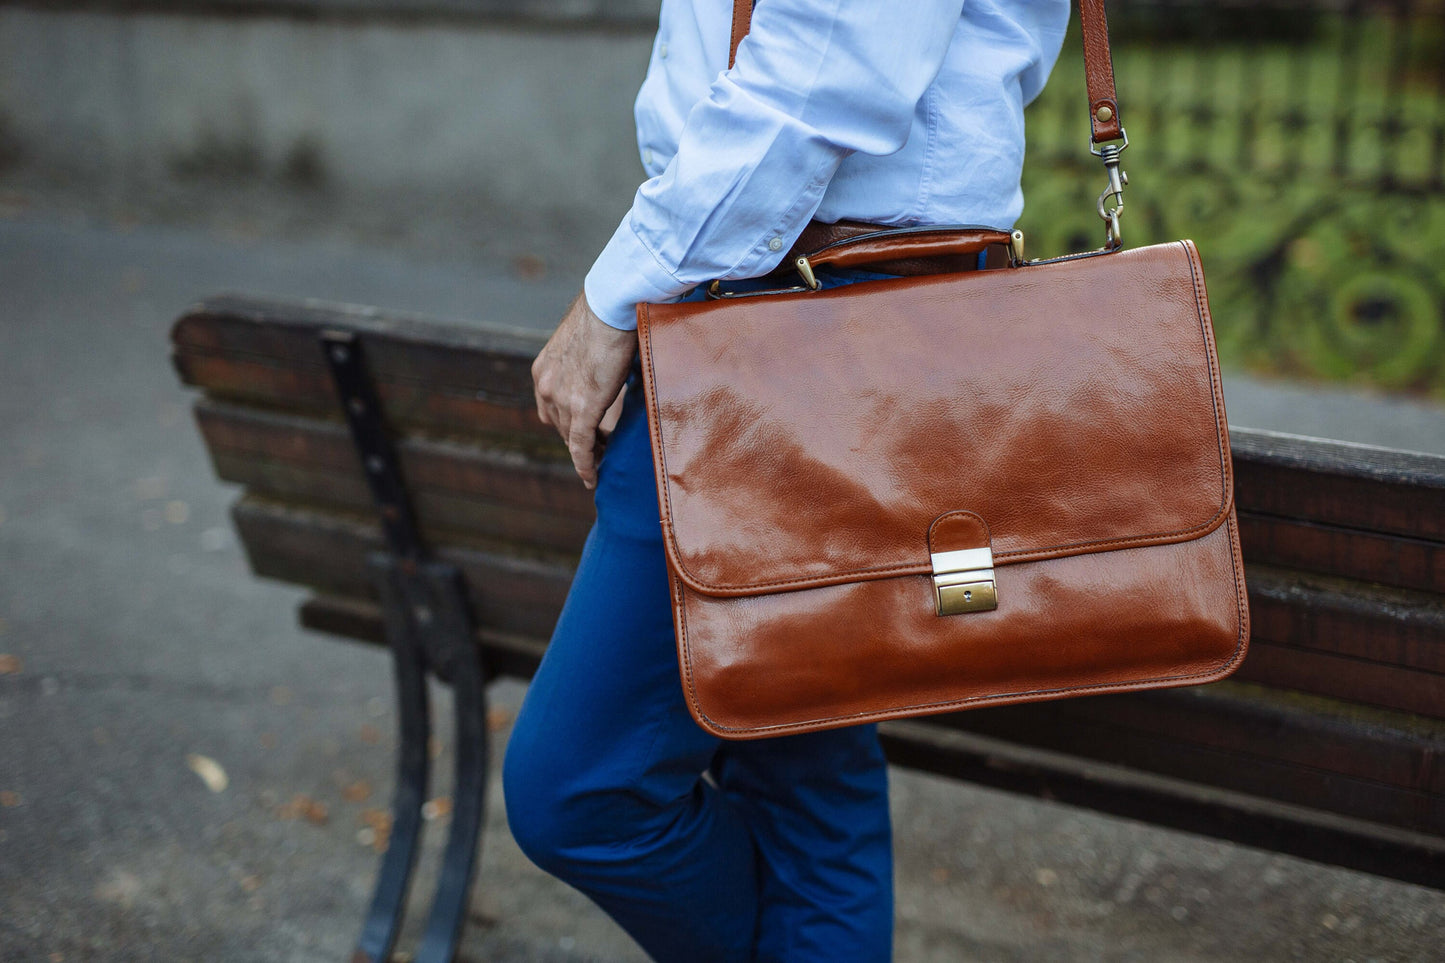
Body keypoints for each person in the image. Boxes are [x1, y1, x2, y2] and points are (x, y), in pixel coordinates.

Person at [505, 1, 1070, 959]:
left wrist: (616, 293)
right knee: (801, 762)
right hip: (798, 298)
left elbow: (828, 58)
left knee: (579, 788)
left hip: (794, 319)